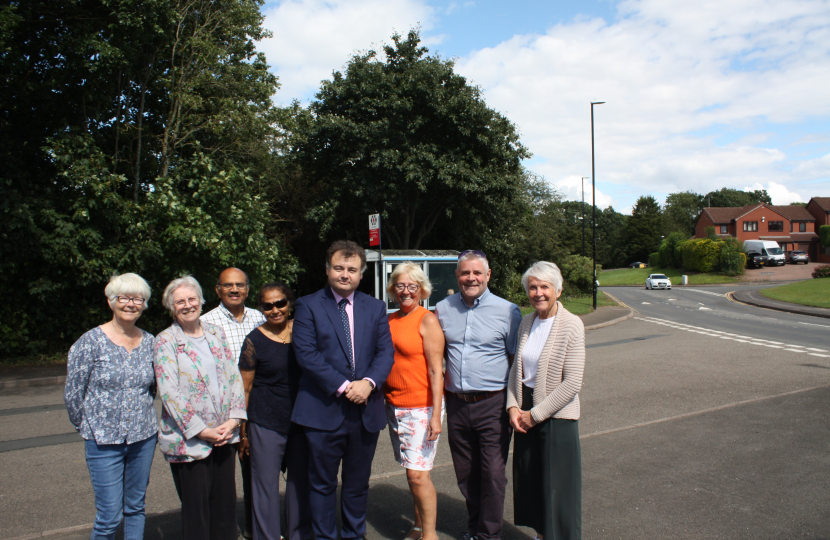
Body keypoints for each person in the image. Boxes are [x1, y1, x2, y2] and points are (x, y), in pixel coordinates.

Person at [291, 240, 395, 540]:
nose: (345, 274)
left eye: (352, 269)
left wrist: (369, 383)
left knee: (357, 484)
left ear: (361, 274)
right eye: (339, 268)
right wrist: (344, 386)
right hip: (323, 410)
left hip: (365, 411)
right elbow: (306, 354)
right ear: (327, 270)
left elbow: (385, 353)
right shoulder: (308, 305)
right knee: (322, 483)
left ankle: (354, 535)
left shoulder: (375, 307)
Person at [434, 250, 522, 540]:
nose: (470, 278)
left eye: (476, 273)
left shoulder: (508, 311)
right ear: (457, 276)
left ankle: (489, 535)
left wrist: (513, 404)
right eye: (464, 273)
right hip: (457, 404)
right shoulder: (443, 308)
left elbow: (515, 361)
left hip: (492, 405)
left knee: (493, 475)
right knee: (466, 473)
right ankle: (474, 528)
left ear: (488, 275)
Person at [64, 273, 158, 540]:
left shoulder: (150, 341)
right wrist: (89, 426)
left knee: (136, 508)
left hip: (143, 437)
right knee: (108, 516)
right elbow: (73, 394)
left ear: (144, 303)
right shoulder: (90, 342)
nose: (130, 304)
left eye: (137, 298)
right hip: (103, 441)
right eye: (123, 298)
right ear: (111, 301)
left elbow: (151, 389)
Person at [153, 276, 247, 540]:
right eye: (180, 301)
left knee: (225, 507)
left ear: (201, 301)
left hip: (225, 434)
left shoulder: (216, 333)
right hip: (189, 440)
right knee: (197, 512)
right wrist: (201, 430)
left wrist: (234, 420)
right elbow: (169, 392)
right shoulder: (165, 341)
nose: (187, 305)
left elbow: (233, 376)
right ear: (172, 308)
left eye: (192, 299)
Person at [507, 262, 584, 540]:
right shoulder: (527, 322)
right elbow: (516, 369)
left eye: (544, 287)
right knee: (534, 485)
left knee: (558, 492)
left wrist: (534, 414)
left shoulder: (572, 324)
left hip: (556, 417)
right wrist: (513, 406)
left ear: (558, 290)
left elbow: (573, 382)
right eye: (533, 287)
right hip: (526, 410)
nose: (538, 293)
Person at [238, 282, 312, 540]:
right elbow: (245, 389)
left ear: (289, 302)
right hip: (266, 419)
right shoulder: (253, 341)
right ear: (261, 309)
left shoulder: (304, 332)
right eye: (268, 306)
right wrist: (243, 431)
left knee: (299, 483)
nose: (275, 310)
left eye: (280, 303)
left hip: (301, 419)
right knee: (265, 487)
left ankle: (298, 534)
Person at [202, 267, 265, 539]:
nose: (234, 290)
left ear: (248, 289)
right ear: (218, 290)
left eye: (240, 285)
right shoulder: (206, 323)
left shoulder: (260, 317)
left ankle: (255, 527)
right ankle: (222, 530)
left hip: (259, 404)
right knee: (221, 479)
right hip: (223, 411)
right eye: (228, 285)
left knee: (255, 471)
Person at [384, 263, 446, 540]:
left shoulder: (427, 320)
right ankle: (419, 525)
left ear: (422, 290)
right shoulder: (390, 320)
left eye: (412, 286)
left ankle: (430, 535)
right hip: (394, 406)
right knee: (412, 472)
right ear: (392, 289)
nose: (406, 291)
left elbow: (436, 370)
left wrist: (435, 415)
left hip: (421, 407)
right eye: (400, 286)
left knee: (418, 475)